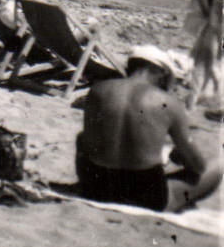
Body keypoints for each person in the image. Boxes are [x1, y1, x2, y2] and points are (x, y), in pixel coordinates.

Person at [76, 46, 219, 212]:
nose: (163, 84)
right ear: (157, 70)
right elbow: (198, 166)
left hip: (96, 188)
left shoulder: (97, 90)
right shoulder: (168, 102)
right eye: (165, 79)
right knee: (217, 165)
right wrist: (178, 156)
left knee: (82, 137)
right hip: (144, 197)